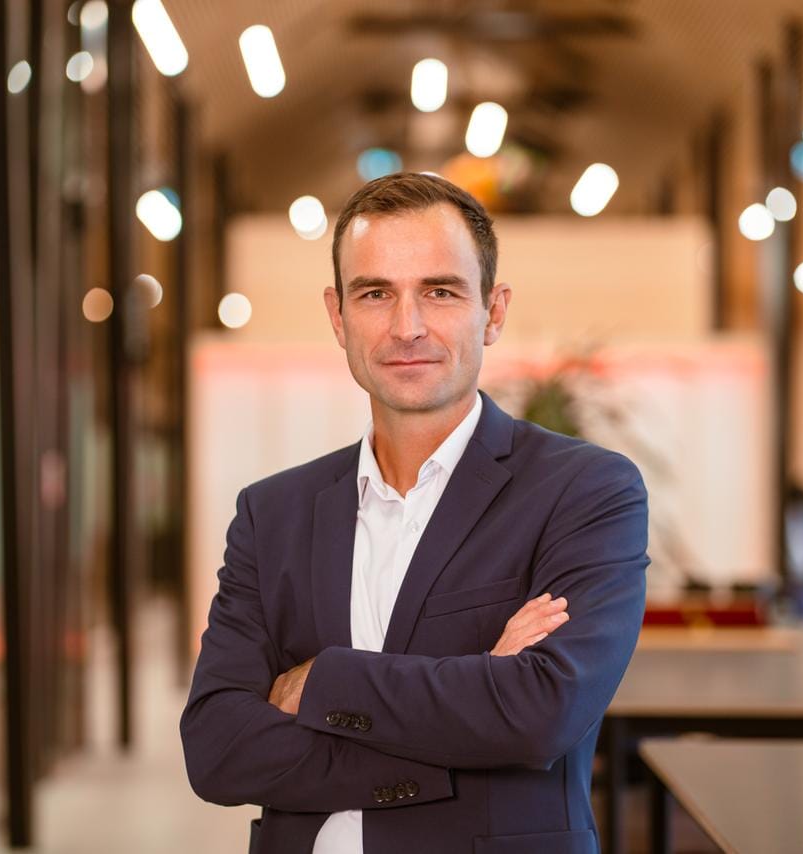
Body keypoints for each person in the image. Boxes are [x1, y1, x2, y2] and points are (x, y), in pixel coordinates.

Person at [181, 172, 649, 854]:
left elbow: (541, 716)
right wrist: (475, 703)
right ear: (338, 316)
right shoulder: (271, 514)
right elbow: (219, 750)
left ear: (493, 310)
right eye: (375, 294)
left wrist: (323, 683)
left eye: (440, 291)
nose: (407, 327)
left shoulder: (583, 492)